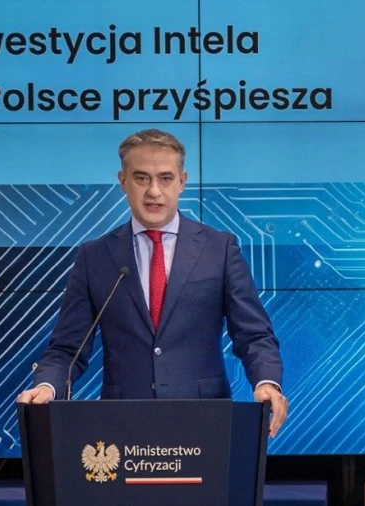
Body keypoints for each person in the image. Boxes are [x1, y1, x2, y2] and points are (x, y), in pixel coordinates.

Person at [16, 128, 288, 436]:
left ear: (182, 182)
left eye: (165, 178)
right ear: (123, 181)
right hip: (122, 425)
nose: (154, 191)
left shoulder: (219, 249)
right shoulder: (94, 257)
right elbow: (68, 349)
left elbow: (253, 334)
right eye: (142, 178)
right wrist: (47, 386)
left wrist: (266, 382)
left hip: (204, 422)